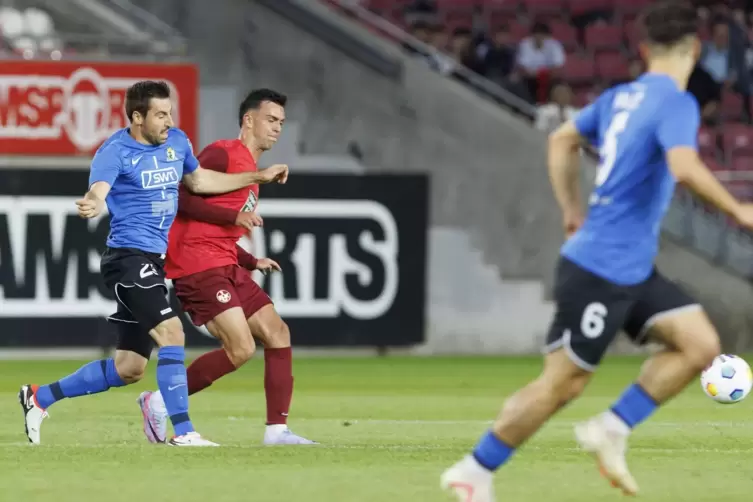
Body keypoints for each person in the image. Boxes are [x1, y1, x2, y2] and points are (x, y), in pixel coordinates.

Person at [440, 2, 753, 500]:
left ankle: (612, 428)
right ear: (695, 49)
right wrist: (738, 212)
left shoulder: (621, 98)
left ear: (645, 49)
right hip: (601, 267)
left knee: (700, 345)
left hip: (627, 264)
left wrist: (570, 209)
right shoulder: (676, 101)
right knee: (561, 387)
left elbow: (562, 140)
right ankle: (474, 470)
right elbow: (685, 166)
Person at [18, 81, 288, 447]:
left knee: (129, 368)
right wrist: (95, 201)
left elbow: (199, 180)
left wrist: (257, 175)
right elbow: (99, 187)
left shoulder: (177, 142)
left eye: (170, 112)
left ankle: (39, 397)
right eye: (161, 114)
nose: (169, 120)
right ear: (136, 117)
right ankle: (184, 432)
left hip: (154, 263)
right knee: (172, 333)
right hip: (127, 259)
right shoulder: (114, 151)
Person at [137, 88, 315, 445]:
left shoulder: (251, 170)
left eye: (281, 122)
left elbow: (223, 231)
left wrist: (252, 260)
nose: (277, 128)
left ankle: (277, 431)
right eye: (270, 119)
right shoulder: (223, 153)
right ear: (248, 120)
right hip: (196, 265)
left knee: (278, 332)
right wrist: (235, 215)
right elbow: (184, 196)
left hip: (226, 263)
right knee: (242, 348)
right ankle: (159, 399)